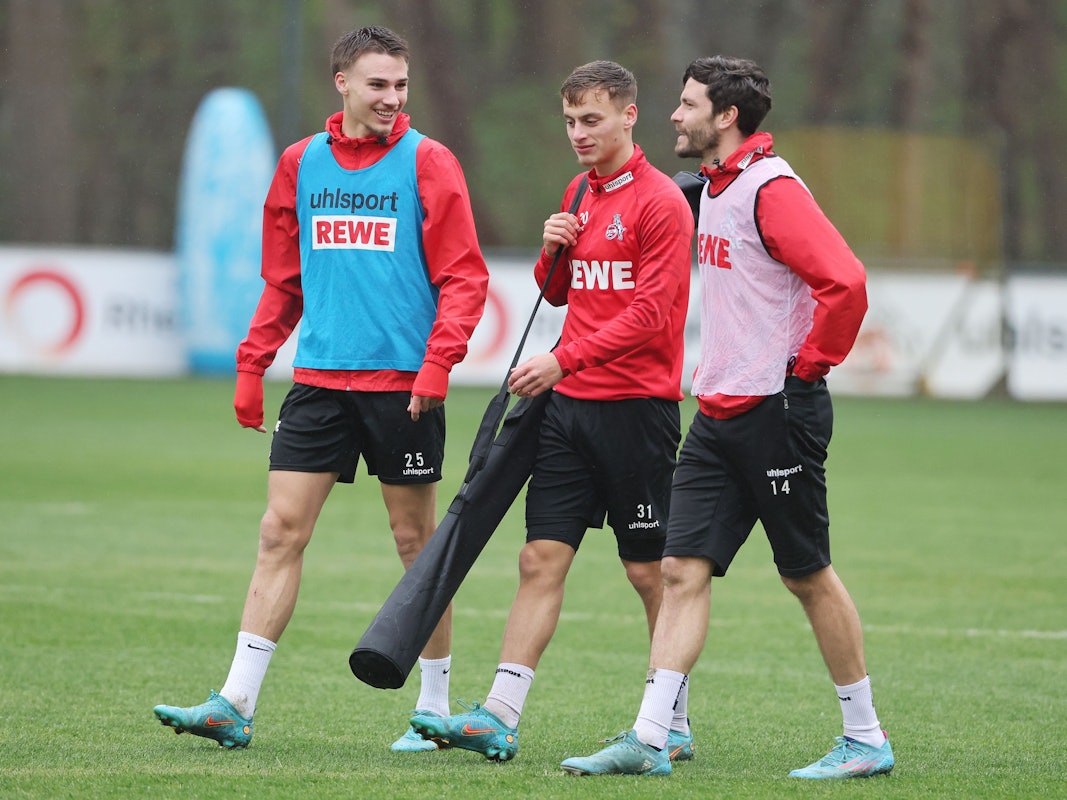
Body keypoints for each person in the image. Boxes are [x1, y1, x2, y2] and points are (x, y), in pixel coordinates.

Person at [152, 25, 489, 752]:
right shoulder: (299, 163)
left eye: (400, 85)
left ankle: (433, 712)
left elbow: (465, 277)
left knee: (413, 543)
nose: (392, 98)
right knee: (279, 532)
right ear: (342, 82)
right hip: (319, 384)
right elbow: (284, 279)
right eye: (378, 84)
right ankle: (234, 702)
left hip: (404, 389)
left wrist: (438, 364)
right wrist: (253, 362)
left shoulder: (429, 163)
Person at [559, 55, 894, 779]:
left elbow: (845, 283)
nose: (674, 117)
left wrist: (806, 372)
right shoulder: (714, 187)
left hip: (776, 411)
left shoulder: (770, 191)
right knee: (680, 569)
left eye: (686, 105)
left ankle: (865, 739)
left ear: (725, 117)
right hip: (716, 413)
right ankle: (650, 738)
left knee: (805, 574)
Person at [409, 60, 694, 763]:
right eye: (569, 121)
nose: (577, 134)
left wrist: (562, 360)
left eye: (590, 120)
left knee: (646, 574)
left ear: (628, 116)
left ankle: (670, 722)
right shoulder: (579, 191)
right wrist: (551, 251)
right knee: (539, 559)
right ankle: (498, 714)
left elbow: (653, 314)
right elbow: (561, 293)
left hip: (637, 412)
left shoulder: (662, 201)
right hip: (568, 412)